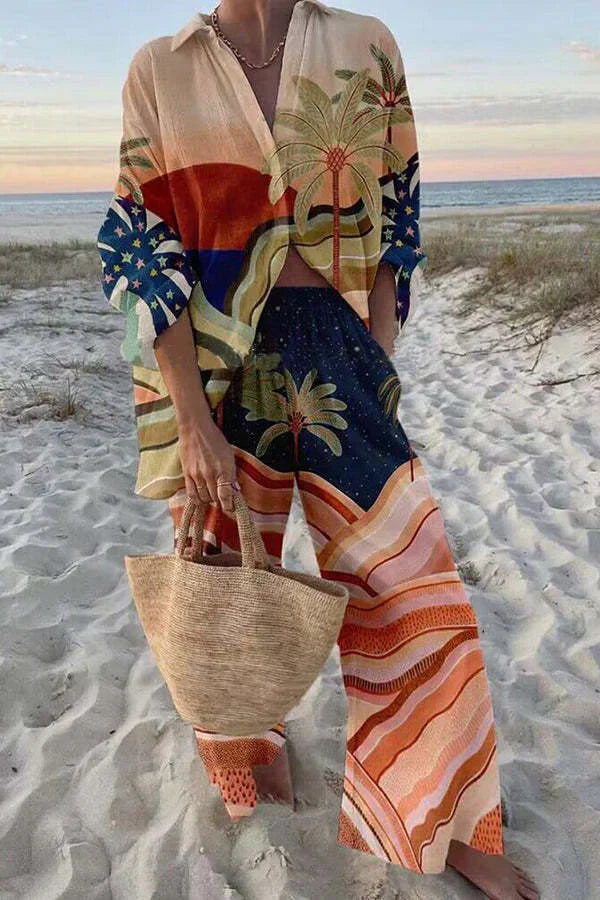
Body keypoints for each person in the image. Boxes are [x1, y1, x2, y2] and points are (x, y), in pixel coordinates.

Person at [97, 2, 539, 897]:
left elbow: (399, 196)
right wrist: (191, 419)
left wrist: (378, 343)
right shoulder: (160, 68)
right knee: (226, 577)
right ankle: (246, 752)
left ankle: (443, 817)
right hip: (220, 365)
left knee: (410, 580)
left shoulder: (365, 45)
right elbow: (143, 248)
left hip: (341, 347)